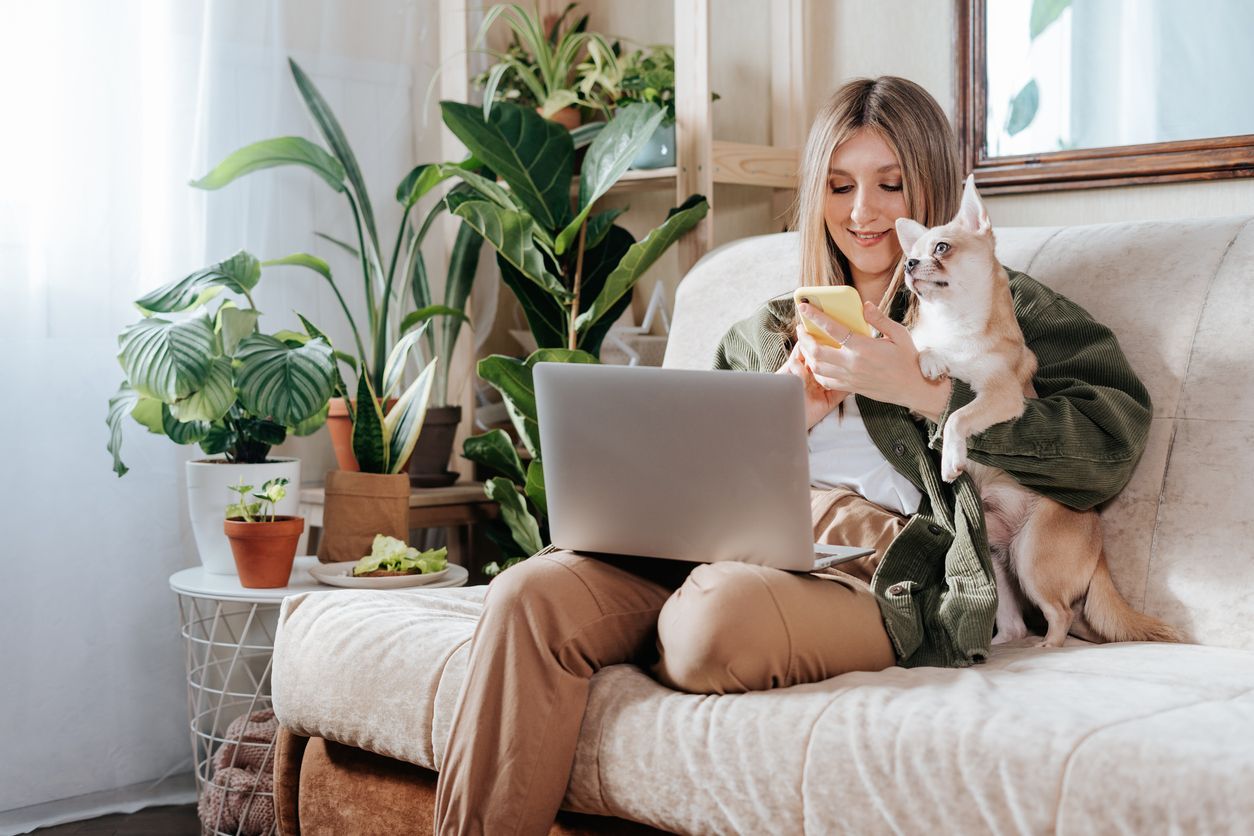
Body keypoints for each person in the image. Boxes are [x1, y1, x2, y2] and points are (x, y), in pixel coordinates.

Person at [433, 76, 1152, 835]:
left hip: (874, 570)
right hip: (721, 549)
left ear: (932, 186)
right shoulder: (765, 329)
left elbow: (1110, 443)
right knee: (527, 595)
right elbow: (682, 480)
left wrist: (928, 394)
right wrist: (788, 411)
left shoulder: (992, 298)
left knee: (707, 629)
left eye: (891, 184)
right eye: (840, 186)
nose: (863, 212)